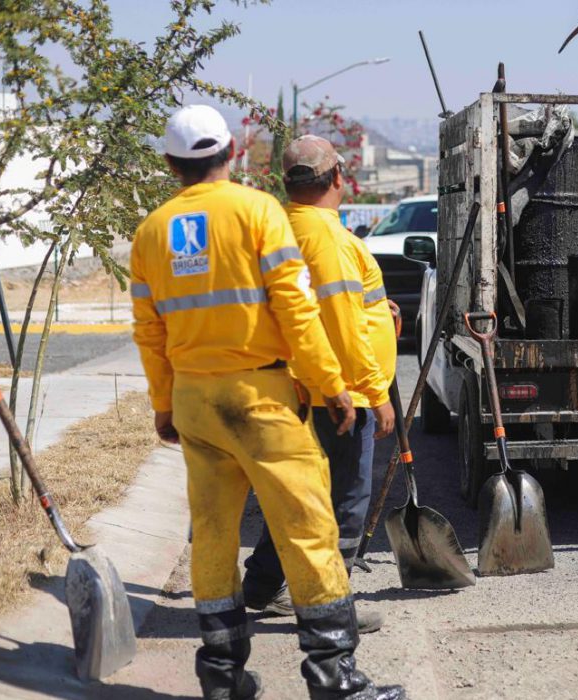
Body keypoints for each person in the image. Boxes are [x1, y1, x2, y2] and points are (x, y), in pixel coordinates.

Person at [131, 104, 404, 700]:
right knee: (308, 528)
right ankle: (336, 679)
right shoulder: (257, 211)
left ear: (171, 163)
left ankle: (223, 679)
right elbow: (297, 311)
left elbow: (150, 332)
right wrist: (332, 385)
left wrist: (163, 405)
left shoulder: (151, 231)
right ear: (230, 153)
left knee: (212, 533)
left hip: (196, 402)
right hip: (261, 397)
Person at [243, 135, 399, 634]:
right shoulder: (326, 237)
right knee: (344, 503)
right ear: (338, 178)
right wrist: (375, 395)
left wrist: (380, 309)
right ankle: (328, 604)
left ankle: (265, 584)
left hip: (291, 387)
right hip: (339, 393)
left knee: (297, 494)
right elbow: (339, 321)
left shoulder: (279, 226)